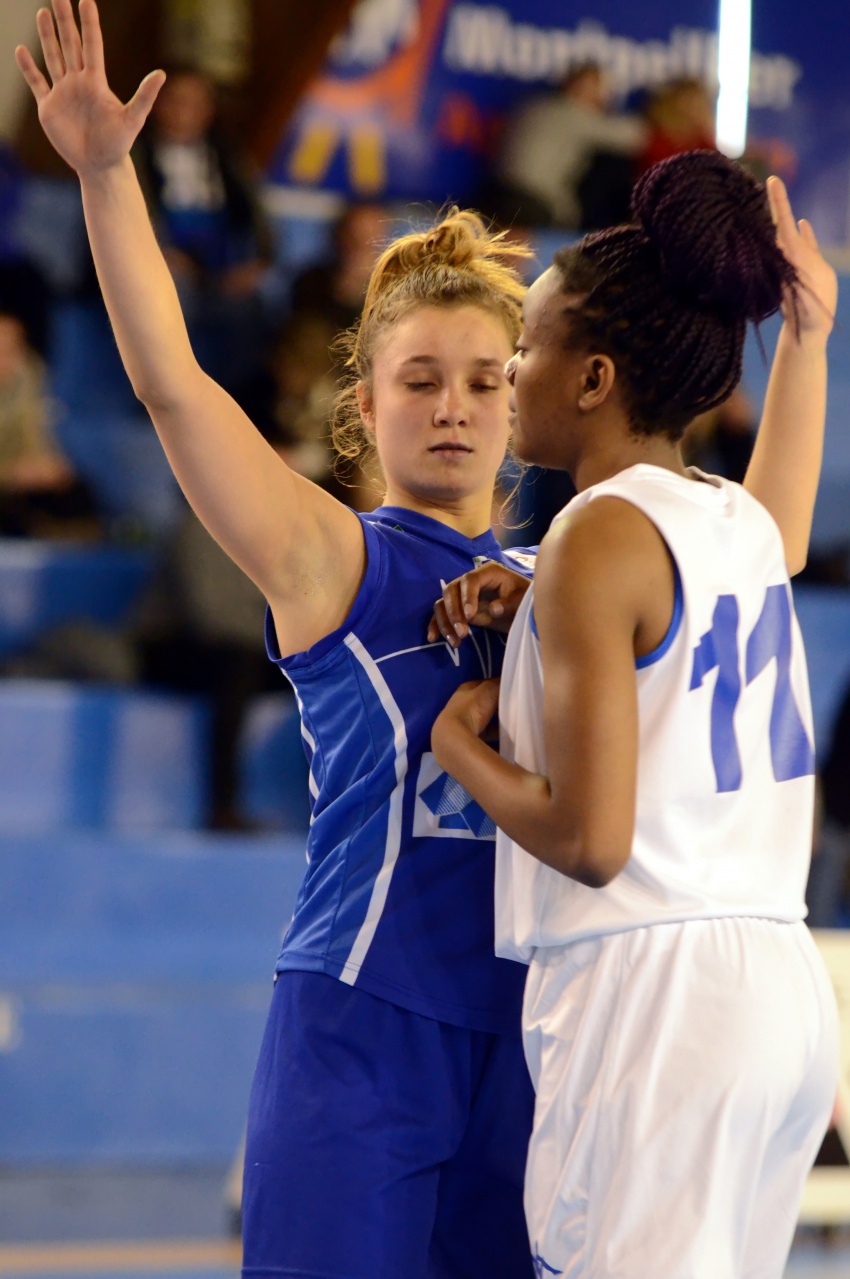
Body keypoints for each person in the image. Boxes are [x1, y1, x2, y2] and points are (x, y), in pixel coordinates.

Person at [15, 6, 834, 1275]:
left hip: (540, 1024)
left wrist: (806, 344)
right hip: (367, 1022)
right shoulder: (333, 556)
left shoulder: (578, 563)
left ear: (527, 398)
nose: (453, 407)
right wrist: (108, 177)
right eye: (418, 380)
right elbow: (174, 387)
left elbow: (768, 539)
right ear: (363, 404)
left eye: (484, 378)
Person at [430, 151, 839, 1279]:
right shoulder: (727, 519)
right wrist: (809, 338)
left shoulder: (595, 535)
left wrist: (458, 741)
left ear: (595, 376)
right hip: (774, 989)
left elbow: (591, 841)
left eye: (530, 343)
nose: (510, 368)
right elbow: (784, 529)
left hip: (656, 999)